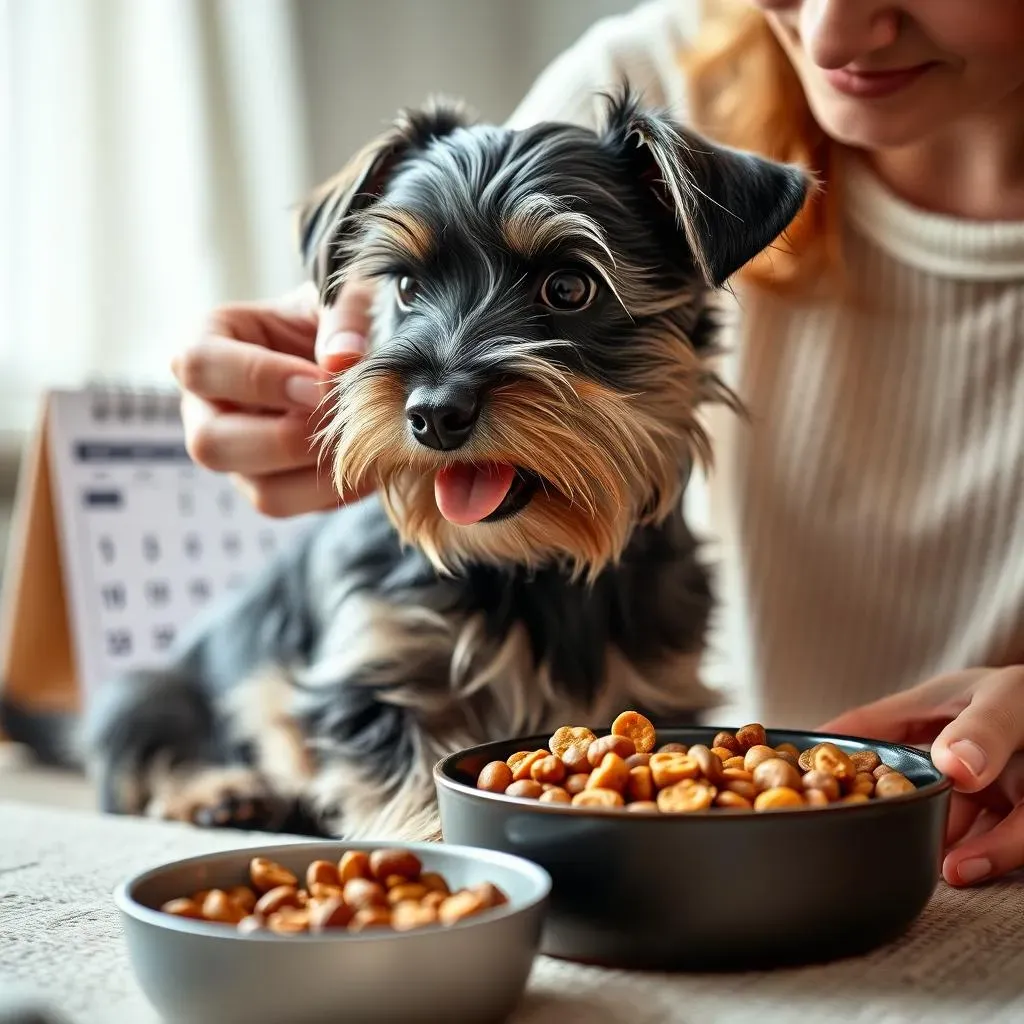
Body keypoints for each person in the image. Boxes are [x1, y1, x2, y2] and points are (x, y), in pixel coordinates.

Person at [172, 0, 1024, 887]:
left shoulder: (671, 159)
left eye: (567, 290)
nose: (829, 34)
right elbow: (383, 277)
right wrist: (286, 371)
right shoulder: (642, 69)